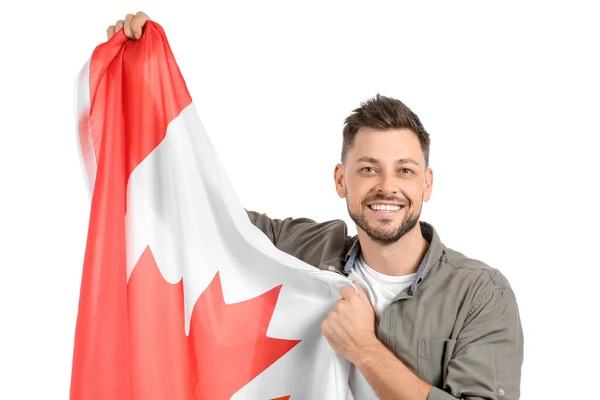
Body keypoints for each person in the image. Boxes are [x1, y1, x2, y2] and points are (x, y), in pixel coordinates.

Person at [106, 13, 524, 400]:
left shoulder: (480, 295)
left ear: (427, 184)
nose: (386, 187)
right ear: (341, 180)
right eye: (368, 169)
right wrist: (137, 87)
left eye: (405, 171)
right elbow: (198, 215)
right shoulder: (301, 249)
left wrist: (363, 348)